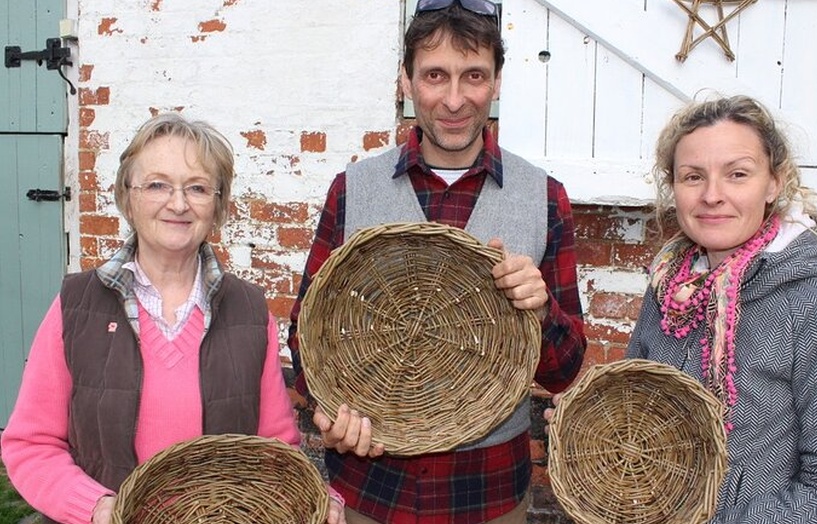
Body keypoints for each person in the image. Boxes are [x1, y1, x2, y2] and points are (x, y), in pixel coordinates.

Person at [285, 0, 587, 522]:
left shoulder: (543, 197)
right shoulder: (352, 190)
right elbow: (305, 336)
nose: (453, 99)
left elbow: (567, 372)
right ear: (405, 81)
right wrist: (327, 411)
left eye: (473, 76)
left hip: (488, 494)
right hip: (370, 489)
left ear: (496, 82)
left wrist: (539, 311)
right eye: (434, 76)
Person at [1, 113, 345, 524]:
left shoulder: (249, 310)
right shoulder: (77, 306)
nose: (178, 203)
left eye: (197, 188)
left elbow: (275, 451)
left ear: (217, 205)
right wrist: (97, 507)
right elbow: (31, 444)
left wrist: (313, 493)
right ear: (128, 197)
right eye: (157, 184)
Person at [546, 95, 817, 522]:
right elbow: (639, 424)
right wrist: (590, 431)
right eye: (693, 176)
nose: (712, 195)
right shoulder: (669, 283)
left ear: (774, 182)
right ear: (673, 186)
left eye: (737, 174)